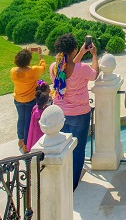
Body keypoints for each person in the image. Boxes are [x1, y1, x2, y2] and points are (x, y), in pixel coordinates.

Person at [50, 33, 99, 191]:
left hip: (60, 114)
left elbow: (69, 65)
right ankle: (73, 183)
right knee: (78, 149)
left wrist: (81, 53)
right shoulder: (82, 69)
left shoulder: (55, 67)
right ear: (73, 49)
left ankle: (63, 179)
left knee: (64, 147)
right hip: (79, 114)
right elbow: (94, 74)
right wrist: (95, 56)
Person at [10, 48, 46, 153]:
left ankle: (20, 140)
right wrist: (40, 55)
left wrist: (26, 55)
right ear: (28, 61)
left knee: (21, 119)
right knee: (27, 121)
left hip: (18, 99)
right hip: (30, 100)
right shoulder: (33, 71)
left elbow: (22, 69)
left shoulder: (13, 71)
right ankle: (26, 143)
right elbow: (43, 67)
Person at [25, 80, 50, 152]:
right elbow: (42, 124)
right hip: (38, 133)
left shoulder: (35, 108)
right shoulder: (38, 113)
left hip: (35, 131)